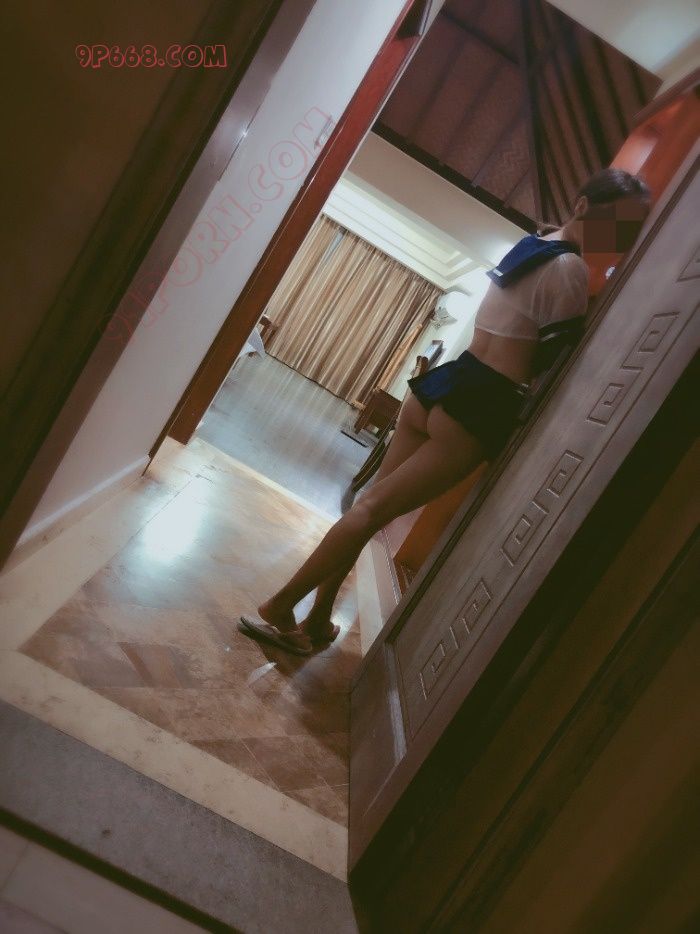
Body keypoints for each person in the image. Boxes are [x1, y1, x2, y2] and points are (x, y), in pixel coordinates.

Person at [239, 168, 651, 655]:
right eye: (617, 222)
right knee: (372, 511)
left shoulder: (530, 245)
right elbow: (557, 361)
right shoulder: (572, 268)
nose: (619, 238)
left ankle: (317, 618)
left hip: (447, 382)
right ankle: (282, 605)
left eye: (629, 230)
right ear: (582, 206)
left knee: (369, 507)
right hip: (482, 401)